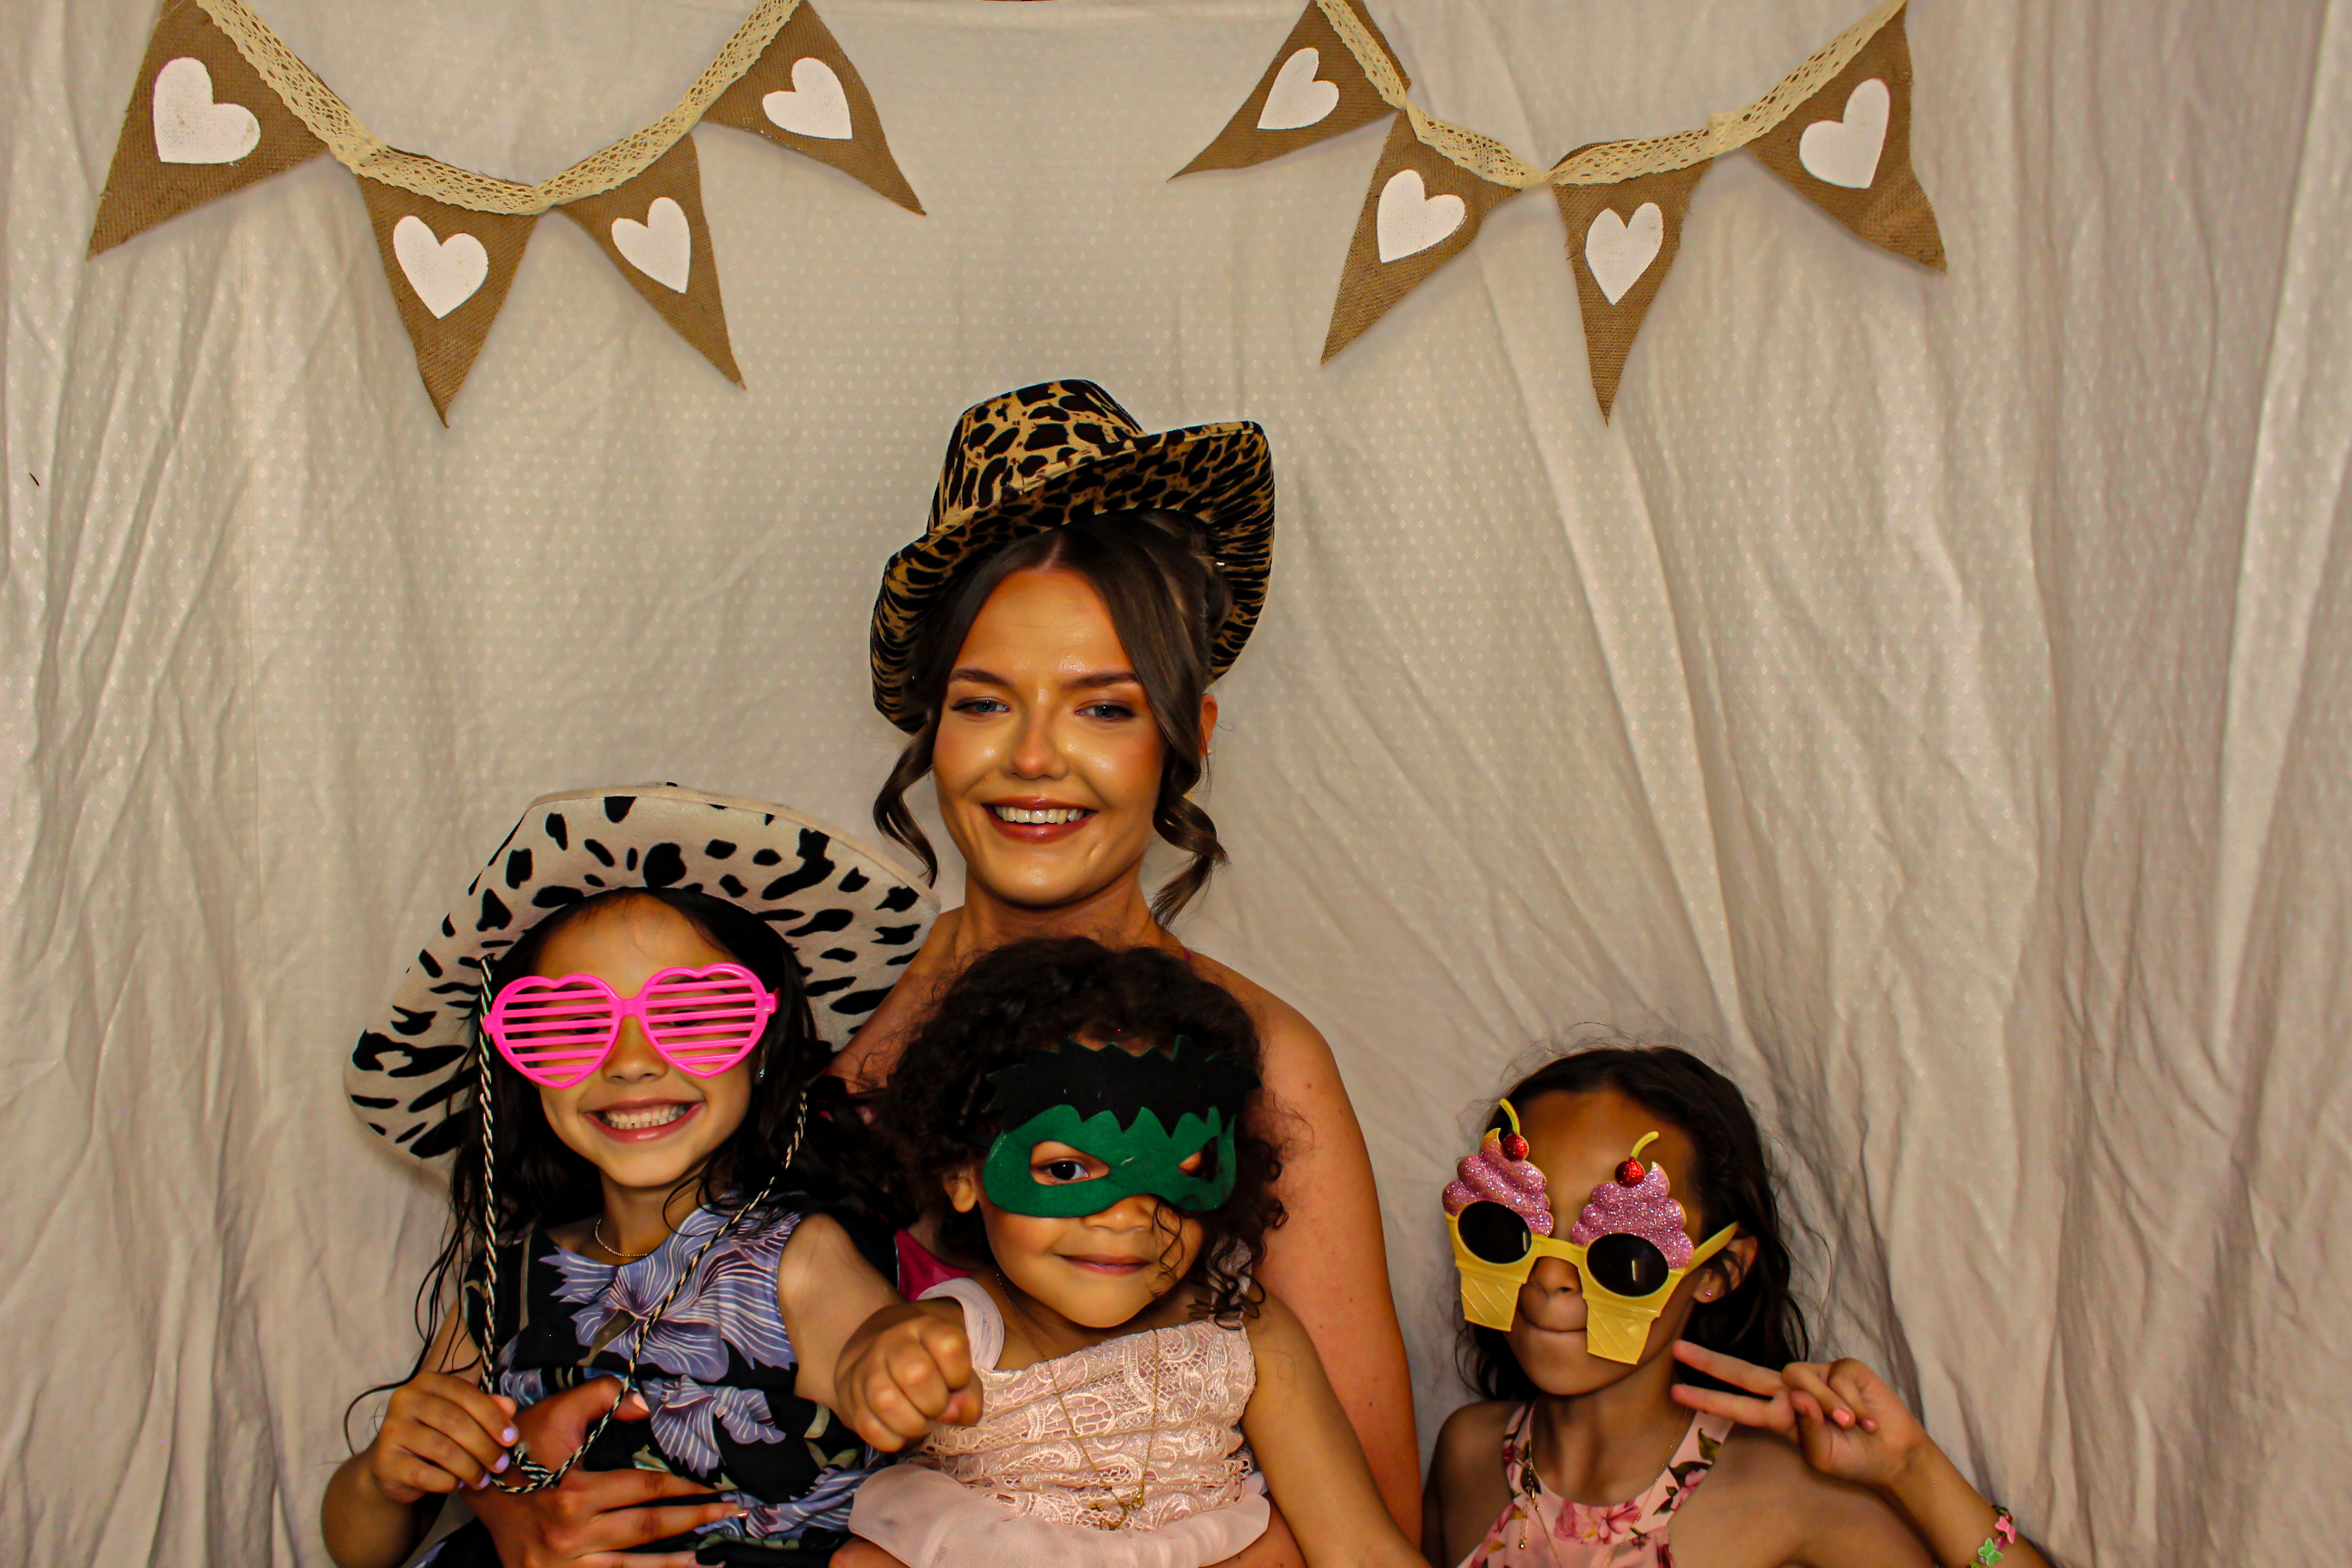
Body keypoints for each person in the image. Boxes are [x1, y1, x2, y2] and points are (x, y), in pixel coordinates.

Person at [832, 380, 1420, 1542]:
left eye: (1102, 709)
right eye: (985, 702)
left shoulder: (1266, 1059)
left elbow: (1375, 1514)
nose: (1033, 760)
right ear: (931, 728)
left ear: (1187, 736)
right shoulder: (832, 1023)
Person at [326, 785, 961, 1568]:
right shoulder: (504, 1282)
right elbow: (359, 1550)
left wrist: (914, 1351)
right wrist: (383, 1477)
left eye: (692, 1013)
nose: (631, 1061)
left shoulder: (798, 1260)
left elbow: (897, 1394)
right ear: (520, 1063)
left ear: (766, 1044)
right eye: (569, 1023)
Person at [833, 938, 1426, 1568]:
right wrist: (882, 1370)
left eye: (1179, 1171)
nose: (1125, 1217)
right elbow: (877, 1357)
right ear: (962, 1173)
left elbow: (1359, 1547)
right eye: (1066, 1169)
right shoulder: (951, 1341)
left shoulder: (1242, 1327)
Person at [1422, 1044, 2052, 1568]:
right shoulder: (1466, 1454)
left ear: (1720, 1271)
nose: (1552, 1277)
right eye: (1502, 1230)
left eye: (1621, 1253)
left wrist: (1913, 1469)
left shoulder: (1794, 1492)